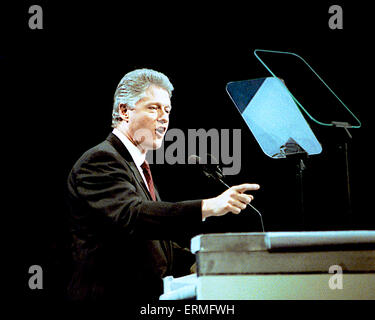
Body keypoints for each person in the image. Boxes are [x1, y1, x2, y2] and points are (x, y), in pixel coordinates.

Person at [66, 68, 260, 301]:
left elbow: (156, 242)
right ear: (124, 111)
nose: (164, 116)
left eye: (167, 109)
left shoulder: (135, 166)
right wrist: (209, 206)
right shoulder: (99, 160)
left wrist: (202, 263)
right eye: (153, 107)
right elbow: (134, 216)